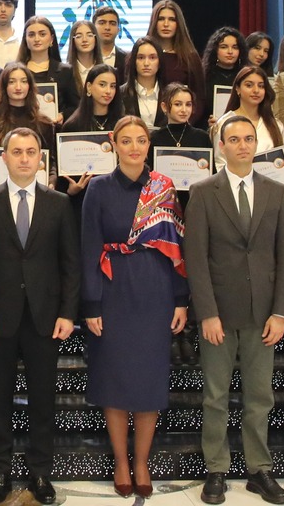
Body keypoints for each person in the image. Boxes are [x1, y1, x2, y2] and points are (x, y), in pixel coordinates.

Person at [184, 114, 284, 506]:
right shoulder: (203, 192)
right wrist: (207, 312)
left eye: (249, 139)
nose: (243, 145)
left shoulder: (276, 192)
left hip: (264, 314)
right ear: (221, 146)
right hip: (218, 312)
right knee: (215, 396)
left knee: (260, 396)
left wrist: (281, 312)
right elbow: (196, 259)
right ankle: (216, 468)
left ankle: (258, 469)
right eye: (234, 139)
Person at [0, 126, 79, 505]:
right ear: (4, 158)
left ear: (41, 159)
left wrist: (68, 313)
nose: (25, 158)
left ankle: (40, 472)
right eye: (17, 152)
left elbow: (70, 265)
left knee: (43, 399)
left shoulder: (58, 204)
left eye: (32, 152)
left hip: (45, 317)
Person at [80, 115, 188, 497]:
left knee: (148, 381)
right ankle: (121, 461)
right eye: (126, 141)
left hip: (155, 290)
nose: (134, 147)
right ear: (114, 143)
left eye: (141, 140)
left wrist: (180, 299)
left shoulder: (163, 187)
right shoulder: (98, 188)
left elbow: (177, 248)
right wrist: (91, 303)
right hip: (112, 291)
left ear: (149, 144)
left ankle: (141, 461)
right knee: (114, 379)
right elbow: (89, 248)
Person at [17, 16, 79, 122]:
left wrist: (62, 115)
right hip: (21, 127)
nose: (37, 39)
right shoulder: (15, 70)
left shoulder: (65, 71)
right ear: (25, 39)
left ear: (51, 39)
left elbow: (75, 106)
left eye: (42, 34)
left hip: (54, 128)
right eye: (31, 35)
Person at [147, 0, 204, 93]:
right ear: (154, 22)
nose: (166, 24)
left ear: (178, 23)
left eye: (172, 19)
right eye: (161, 19)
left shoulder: (190, 58)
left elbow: (199, 95)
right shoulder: (141, 55)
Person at [227, 64, 284, 152]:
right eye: (249, 85)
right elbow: (220, 159)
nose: (256, 90)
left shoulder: (276, 125)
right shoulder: (225, 123)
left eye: (261, 86)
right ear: (237, 88)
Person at [149, 84, 209, 150]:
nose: (184, 110)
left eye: (188, 104)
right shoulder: (155, 138)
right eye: (178, 104)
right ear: (164, 107)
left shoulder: (202, 137)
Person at [118, 38, 165, 123]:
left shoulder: (169, 94)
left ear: (160, 62)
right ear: (134, 61)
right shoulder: (120, 94)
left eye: (152, 58)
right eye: (141, 58)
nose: (146, 63)